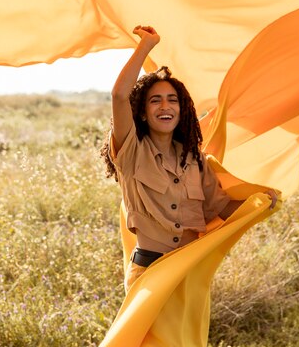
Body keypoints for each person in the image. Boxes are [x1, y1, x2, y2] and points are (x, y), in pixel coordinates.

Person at [101, 25, 277, 292]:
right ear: (143, 113)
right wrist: (146, 45)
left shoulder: (196, 161)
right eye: (155, 101)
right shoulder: (131, 152)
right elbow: (118, 95)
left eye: (173, 100)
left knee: (187, 337)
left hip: (189, 274)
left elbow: (222, 208)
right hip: (148, 274)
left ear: (182, 111)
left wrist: (261, 201)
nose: (165, 106)